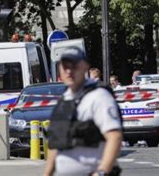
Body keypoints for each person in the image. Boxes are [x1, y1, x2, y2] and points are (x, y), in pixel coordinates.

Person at [44, 46, 123, 176]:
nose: (69, 71)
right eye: (65, 66)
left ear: (85, 67)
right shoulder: (65, 99)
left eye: (74, 66)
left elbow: (115, 136)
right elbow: (56, 143)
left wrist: (102, 171)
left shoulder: (99, 96)